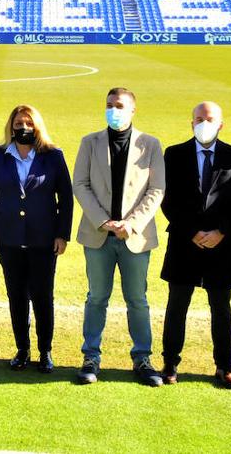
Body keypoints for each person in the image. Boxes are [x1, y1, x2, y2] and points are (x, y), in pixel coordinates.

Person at [73, 87, 165, 387]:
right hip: (98, 234)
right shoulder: (90, 142)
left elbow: (156, 190)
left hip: (134, 237)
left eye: (120, 105)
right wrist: (104, 221)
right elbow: (81, 184)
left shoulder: (150, 144)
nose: (114, 109)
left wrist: (131, 223)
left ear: (133, 110)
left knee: (137, 299)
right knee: (96, 297)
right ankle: (91, 357)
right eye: (109, 104)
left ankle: (142, 358)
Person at [159, 101, 231, 389]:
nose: (203, 123)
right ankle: (170, 363)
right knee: (177, 305)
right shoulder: (174, 154)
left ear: (221, 124)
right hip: (185, 243)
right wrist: (192, 232)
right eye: (198, 118)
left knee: (221, 307)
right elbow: (166, 198)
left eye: (209, 118)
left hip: (222, 245)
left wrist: (221, 231)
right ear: (191, 123)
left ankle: (224, 367)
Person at [0, 105, 72, 373]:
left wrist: (62, 234)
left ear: (37, 126)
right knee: (16, 297)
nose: (23, 128)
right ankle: (22, 349)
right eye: (19, 123)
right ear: (11, 126)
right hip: (8, 239)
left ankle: (45, 351)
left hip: (43, 241)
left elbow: (65, 199)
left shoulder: (53, 156)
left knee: (43, 297)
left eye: (28, 123)